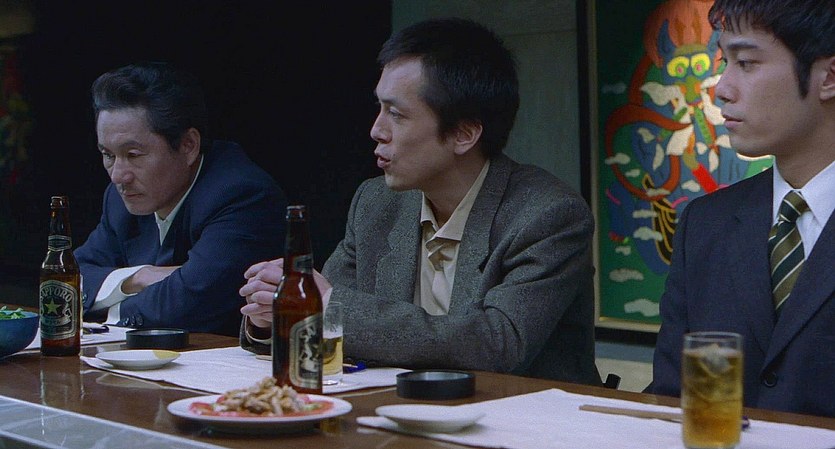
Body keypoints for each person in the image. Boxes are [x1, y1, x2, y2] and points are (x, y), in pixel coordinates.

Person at [239, 18, 600, 384]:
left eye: (396, 114)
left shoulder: (549, 215)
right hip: (394, 407)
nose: (376, 130)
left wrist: (326, 305)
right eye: (379, 108)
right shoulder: (376, 203)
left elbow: (498, 344)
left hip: (524, 412)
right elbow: (332, 321)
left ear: (464, 133)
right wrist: (276, 316)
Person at [651, 0, 835, 416]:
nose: (721, 89)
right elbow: (672, 397)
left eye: (746, 63)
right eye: (724, 62)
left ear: (828, 78)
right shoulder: (705, 223)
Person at [76, 62, 286, 336]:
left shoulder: (241, 194)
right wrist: (138, 277)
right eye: (108, 155)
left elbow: (185, 307)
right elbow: (65, 281)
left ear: (188, 146)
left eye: (133, 155)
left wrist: (101, 312)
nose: (118, 175)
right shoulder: (121, 198)